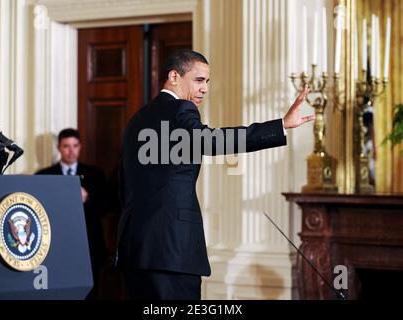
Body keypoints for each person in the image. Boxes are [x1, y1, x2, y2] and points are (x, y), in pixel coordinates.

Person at [116, 49, 313, 300]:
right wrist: (280, 126)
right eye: (199, 80)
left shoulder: (136, 119)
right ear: (174, 76)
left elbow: (123, 184)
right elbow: (211, 141)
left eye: (207, 82)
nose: (205, 88)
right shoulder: (180, 109)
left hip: (134, 249)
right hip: (172, 251)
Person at [36, 128, 109, 299]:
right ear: (58, 147)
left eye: (75, 146)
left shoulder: (95, 175)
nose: (71, 151)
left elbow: (106, 206)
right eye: (66, 146)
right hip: (56, 245)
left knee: (91, 292)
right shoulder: (44, 175)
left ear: (80, 146)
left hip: (89, 244)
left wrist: (87, 198)